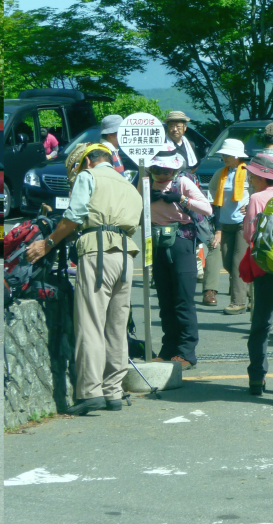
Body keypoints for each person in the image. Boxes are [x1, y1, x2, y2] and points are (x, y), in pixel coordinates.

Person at [25, 145, 144, 415]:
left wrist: (49, 242)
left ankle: (91, 392)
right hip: (126, 255)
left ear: (88, 161)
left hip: (97, 252)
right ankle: (113, 391)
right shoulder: (127, 184)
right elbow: (134, 221)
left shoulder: (88, 176)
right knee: (117, 325)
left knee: (91, 323)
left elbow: (74, 216)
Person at [149, 142, 213, 369]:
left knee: (183, 300)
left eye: (167, 171)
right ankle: (168, 348)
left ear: (175, 170)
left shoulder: (182, 182)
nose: (162, 174)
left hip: (182, 241)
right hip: (156, 242)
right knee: (164, 298)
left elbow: (207, 209)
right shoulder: (145, 183)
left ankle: (186, 352)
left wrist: (180, 198)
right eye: (158, 170)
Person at [243, 154, 273, 396]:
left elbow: (249, 235)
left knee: (261, 324)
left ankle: (257, 378)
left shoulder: (257, 198)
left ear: (262, 177)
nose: (250, 179)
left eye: (252, 175)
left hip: (266, 267)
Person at [202, 138, 250, 314]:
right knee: (228, 262)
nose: (224, 157)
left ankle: (238, 302)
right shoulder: (220, 173)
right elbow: (213, 198)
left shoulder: (248, 173)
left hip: (243, 223)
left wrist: (251, 203)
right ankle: (251, 294)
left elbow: (258, 192)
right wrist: (218, 226)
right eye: (223, 154)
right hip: (226, 222)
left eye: (227, 154)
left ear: (237, 156)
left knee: (238, 263)